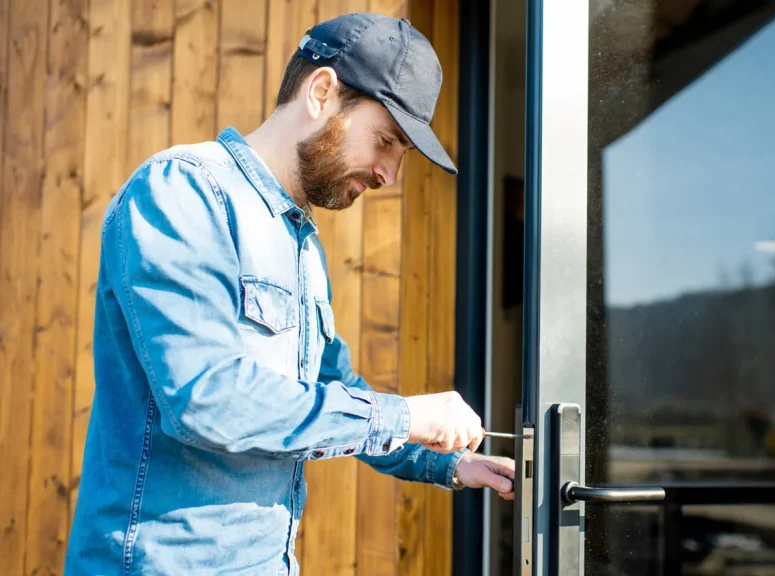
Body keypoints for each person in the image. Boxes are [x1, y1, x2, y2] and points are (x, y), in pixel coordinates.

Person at [64, 13, 514, 575]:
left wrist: (442, 463)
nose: (390, 175)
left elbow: (333, 390)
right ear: (322, 92)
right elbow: (207, 398)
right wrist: (404, 416)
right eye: (386, 142)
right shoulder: (182, 191)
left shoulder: (300, 243)